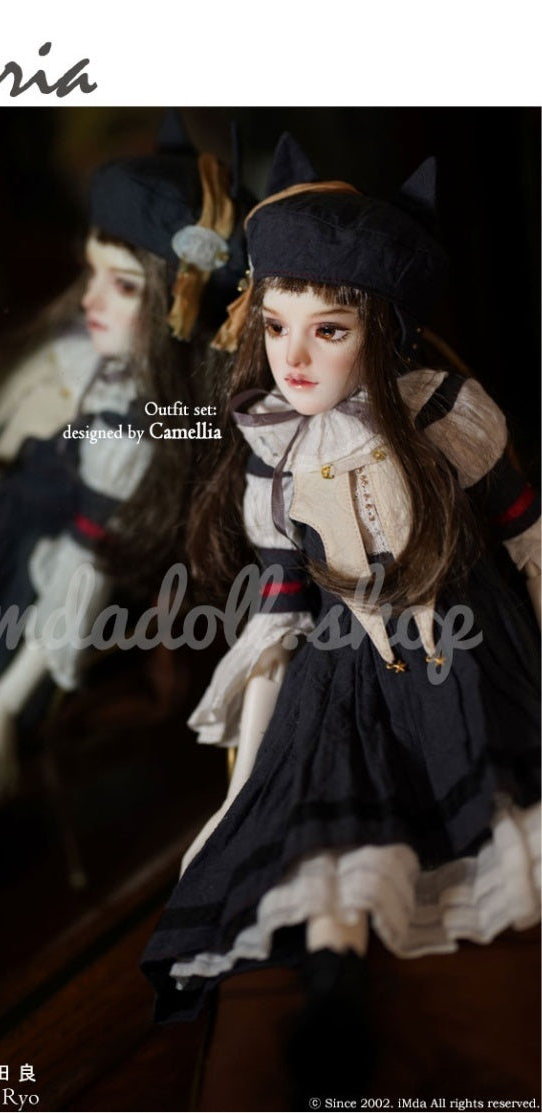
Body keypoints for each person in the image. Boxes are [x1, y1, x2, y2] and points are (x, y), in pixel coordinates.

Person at [141, 133, 540, 1095]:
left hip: (457, 636)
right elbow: (279, 608)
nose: (293, 356)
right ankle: (332, 979)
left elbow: (529, 536)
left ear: (382, 328)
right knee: (324, 803)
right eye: (276, 325)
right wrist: (244, 769)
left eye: (328, 329)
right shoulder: (272, 447)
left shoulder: (442, 412)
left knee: (481, 784)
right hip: (337, 656)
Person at [0, 110, 250, 871]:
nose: (92, 299)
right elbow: (1, 457)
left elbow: (84, 572)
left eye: (122, 285)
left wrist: (4, 703)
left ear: (177, 303)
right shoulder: (86, 358)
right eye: (92, 273)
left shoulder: (140, 426)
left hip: (0, 574)